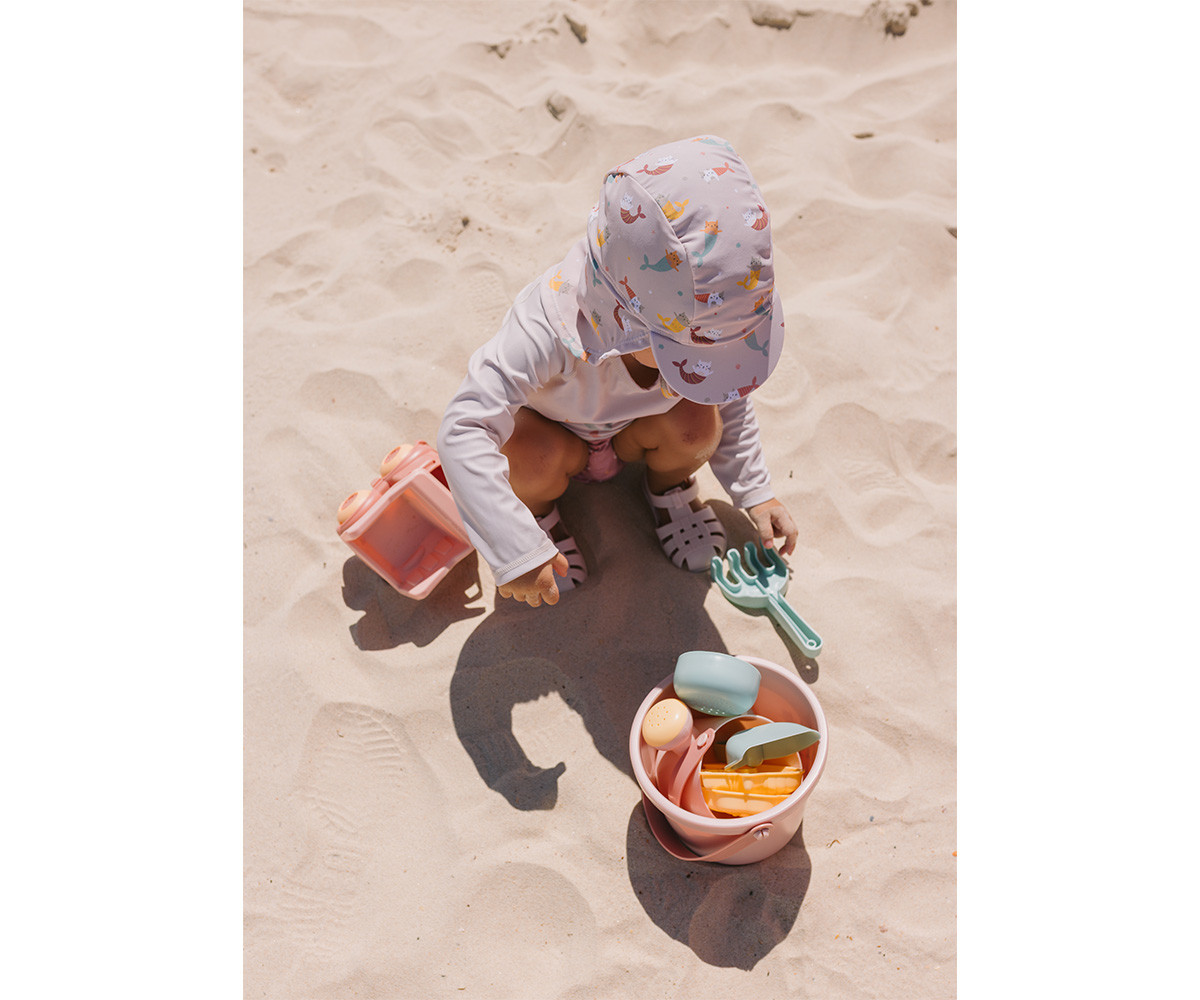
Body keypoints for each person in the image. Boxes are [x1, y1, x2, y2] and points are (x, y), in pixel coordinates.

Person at [437, 135, 798, 608]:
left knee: (695, 422)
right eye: (692, 359)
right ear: (626, 319)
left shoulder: (702, 325)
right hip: (554, 434)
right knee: (531, 457)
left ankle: (669, 490)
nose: (709, 365)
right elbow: (464, 426)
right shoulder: (547, 328)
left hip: (634, 433)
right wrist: (514, 546)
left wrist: (757, 493)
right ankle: (539, 516)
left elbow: (728, 391)